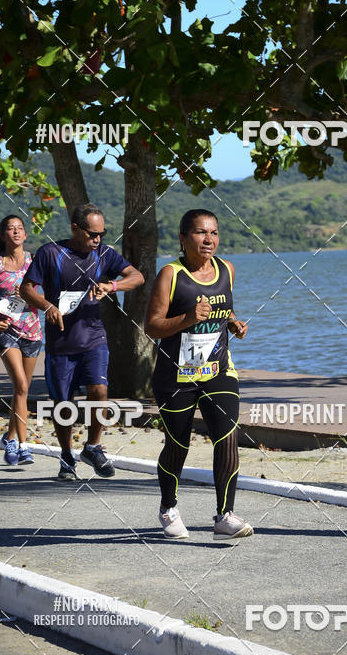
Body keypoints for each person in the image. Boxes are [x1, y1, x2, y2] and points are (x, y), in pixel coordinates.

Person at [144, 209, 253, 541]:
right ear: (182, 237)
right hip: (176, 376)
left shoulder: (226, 269)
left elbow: (222, 305)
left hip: (218, 370)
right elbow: (152, 326)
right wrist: (189, 318)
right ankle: (169, 507)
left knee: (227, 436)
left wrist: (232, 320)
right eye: (201, 233)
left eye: (214, 233)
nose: (209, 239)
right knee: (178, 444)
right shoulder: (170, 274)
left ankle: (225, 515)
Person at [20, 203, 144, 481]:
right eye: (92, 234)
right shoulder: (50, 253)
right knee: (63, 404)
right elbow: (26, 288)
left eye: (102, 233)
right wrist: (46, 306)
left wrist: (112, 286)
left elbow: (137, 277)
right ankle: (66, 456)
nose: (98, 239)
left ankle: (93, 447)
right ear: (75, 229)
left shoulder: (104, 254)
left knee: (99, 390)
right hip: (60, 344)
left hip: (94, 338)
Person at [0, 215, 43, 467]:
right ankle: (23, 446)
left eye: (20, 229)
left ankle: (10, 436)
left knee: (20, 392)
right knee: (21, 387)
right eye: (10, 229)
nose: (15, 232)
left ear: (25, 235)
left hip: (33, 332)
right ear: (3, 236)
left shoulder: (35, 263)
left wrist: (31, 295)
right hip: (7, 333)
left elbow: (44, 296)